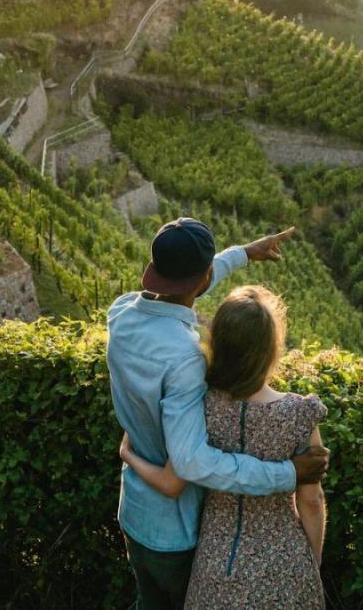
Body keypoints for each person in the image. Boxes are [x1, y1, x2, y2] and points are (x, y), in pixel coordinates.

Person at [108, 218, 330, 610]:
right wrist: (288, 474)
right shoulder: (185, 359)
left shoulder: (121, 313)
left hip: (134, 511)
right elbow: (191, 462)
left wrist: (244, 254)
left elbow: (184, 287)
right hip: (174, 530)